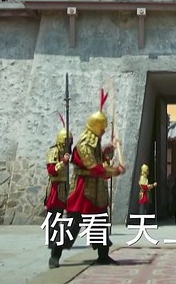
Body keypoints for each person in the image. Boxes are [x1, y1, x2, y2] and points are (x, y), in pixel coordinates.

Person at [58, 91, 126, 266]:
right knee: (73, 224)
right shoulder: (84, 144)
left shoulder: (94, 142)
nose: (104, 131)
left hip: (97, 189)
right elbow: (94, 167)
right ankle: (55, 254)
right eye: (102, 129)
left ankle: (103, 256)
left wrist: (108, 149)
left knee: (101, 222)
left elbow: (98, 158)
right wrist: (116, 171)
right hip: (83, 189)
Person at [46, 127, 71, 268]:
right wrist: (63, 162)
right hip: (55, 186)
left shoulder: (65, 152)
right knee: (54, 214)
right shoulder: (54, 151)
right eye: (67, 141)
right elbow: (51, 170)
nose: (69, 143)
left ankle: (55, 240)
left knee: (60, 214)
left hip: (64, 185)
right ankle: (52, 240)